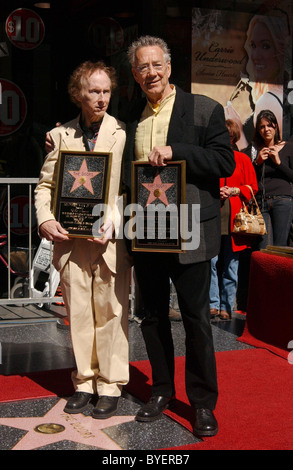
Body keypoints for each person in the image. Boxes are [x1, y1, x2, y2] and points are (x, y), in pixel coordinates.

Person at [123, 36, 235, 437]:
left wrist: (176, 150)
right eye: (141, 67)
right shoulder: (131, 115)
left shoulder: (205, 108)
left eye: (156, 65)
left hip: (190, 231)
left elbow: (224, 161)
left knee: (196, 320)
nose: (150, 72)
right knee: (152, 317)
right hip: (147, 229)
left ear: (169, 68)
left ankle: (203, 404)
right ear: (135, 75)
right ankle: (162, 391)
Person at [34, 61, 131, 419]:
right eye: (94, 91)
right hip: (72, 242)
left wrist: (115, 221)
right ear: (78, 94)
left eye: (107, 91)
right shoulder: (60, 137)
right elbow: (45, 186)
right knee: (79, 314)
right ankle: (84, 382)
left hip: (109, 242)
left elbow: (127, 188)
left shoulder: (123, 133)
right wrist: (45, 217)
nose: (102, 98)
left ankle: (110, 384)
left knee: (112, 313)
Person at [210, 120, 258, 321]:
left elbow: (253, 188)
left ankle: (226, 305)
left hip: (236, 219)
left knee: (231, 265)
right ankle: (212, 304)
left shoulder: (243, 159)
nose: (226, 138)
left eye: (229, 135)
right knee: (210, 263)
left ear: (234, 137)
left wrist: (235, 190)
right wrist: (216, 191)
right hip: (213, 216)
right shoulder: (211, 158)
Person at [225, 14, 289, 150]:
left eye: (266, 46)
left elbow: (256, 160)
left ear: (280, 49)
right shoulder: (284, 94)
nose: (255, 55)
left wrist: (238, 130)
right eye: (253, 45)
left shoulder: (268, 100)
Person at [246, 109, 293, 249]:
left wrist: (279, 163)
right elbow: (249, 178)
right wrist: (257, 162)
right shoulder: (256, 150)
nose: (266, 129)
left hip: (283, 201)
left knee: (280, 247)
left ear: (275, 126)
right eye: (262, 126)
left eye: (269, 125)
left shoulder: (288, 148)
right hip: (262, 202)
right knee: (263, 248)